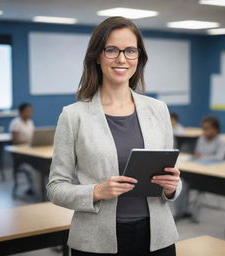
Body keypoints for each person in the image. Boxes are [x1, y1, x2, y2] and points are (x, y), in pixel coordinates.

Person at [47, 16, 181, 256]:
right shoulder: (73, 115)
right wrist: (97, 191)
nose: (122, 59)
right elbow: (56, 188)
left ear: (139, 57)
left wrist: (171, 187)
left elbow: (168, 176)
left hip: (157, 238)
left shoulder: (158, 110)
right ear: (97, 56)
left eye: (130, 50)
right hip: (96, 241)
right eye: (112, 50)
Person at [173, 115, 225, 221]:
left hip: (213, 174)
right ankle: (180, 211)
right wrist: (201, 156)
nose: (204, 131)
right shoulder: (201, 139)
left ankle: (193, 212)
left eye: (207, 129)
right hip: (199, 170)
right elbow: (198, 153)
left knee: (199, 187)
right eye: (203, 129)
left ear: (215, 129)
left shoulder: (221, 141)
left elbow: (219, 157)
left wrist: (203, 157)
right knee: (182, 182)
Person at [9, 103, 35, 194]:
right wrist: (28, 141)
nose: (30, 113)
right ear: (21, 112)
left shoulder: (30, 122)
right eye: (27, 111)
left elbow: (33, 137)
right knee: (33, 168)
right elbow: (15, 141)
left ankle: (41, 188)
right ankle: (33, 188)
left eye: (30, 111)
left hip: (31, 151)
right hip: (20, 154)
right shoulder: (15, 123)